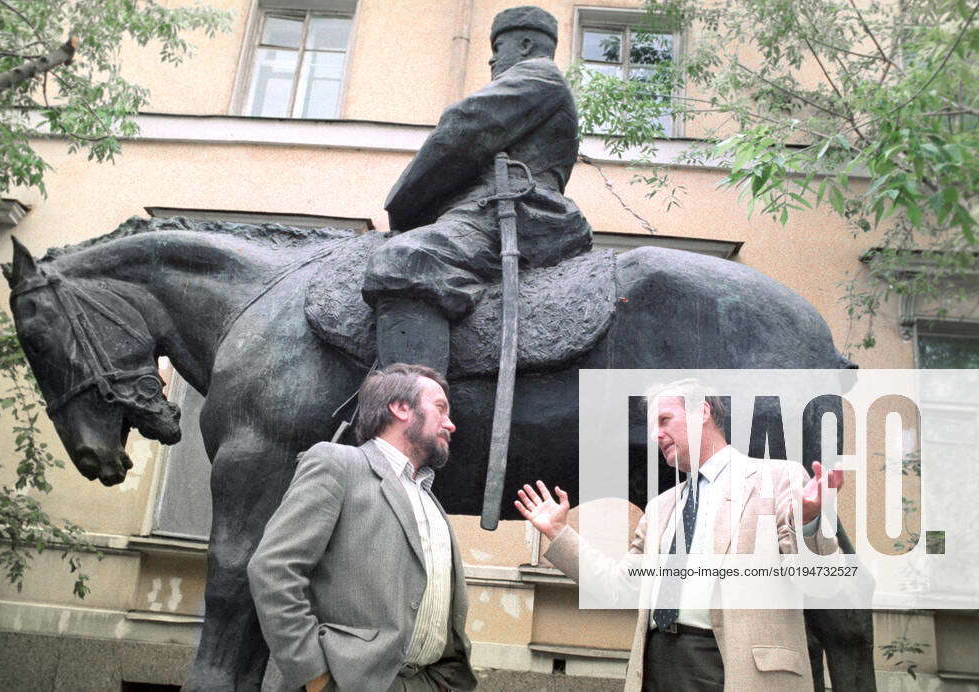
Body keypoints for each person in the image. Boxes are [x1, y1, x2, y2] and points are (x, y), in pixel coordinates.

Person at [516, 379, 844, 692]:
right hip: (658, 663)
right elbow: (620, 589)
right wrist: (559, 532)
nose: (656, 435)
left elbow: (822, 583)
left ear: (702, 411)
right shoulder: (660, 508)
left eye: (664, 420)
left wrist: (808, 523)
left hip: (734, 669)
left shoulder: (780, 478)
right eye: (652, 427)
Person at [362, 5, 593, 373]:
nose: (491, 59)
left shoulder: (539, 76)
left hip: (515, 213)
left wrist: (404, 205)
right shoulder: (541, 85)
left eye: (498, 48)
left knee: (406, 259)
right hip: (497, 208)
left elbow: (462, 129)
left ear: (526, 45)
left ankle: (415, 413)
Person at [248, 364, 477, 692]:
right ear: (400, 408)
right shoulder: (336, 464)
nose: (451, 424)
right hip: (345, 682)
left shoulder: (429, 498)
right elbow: (272, 570)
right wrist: (315, 678)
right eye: (440, 409)